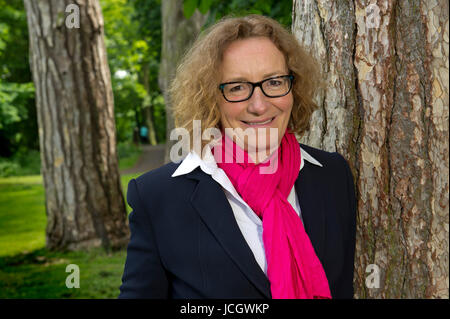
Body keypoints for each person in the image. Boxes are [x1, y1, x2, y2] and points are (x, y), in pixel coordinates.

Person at [119, 15, 356, 299]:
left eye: (274, 81)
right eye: (237, 87)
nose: (259, 105)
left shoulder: (332, 176)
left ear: (294, 87)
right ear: (210, 98)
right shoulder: (157, 196)